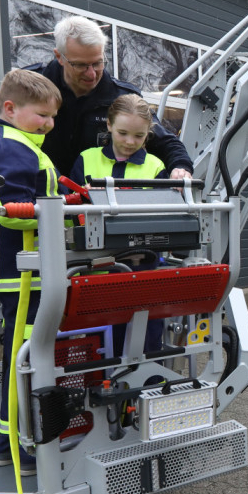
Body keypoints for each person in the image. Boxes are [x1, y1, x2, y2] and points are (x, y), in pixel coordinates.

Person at [0, 68, 64, 476]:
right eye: (41, 115)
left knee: (23, 352)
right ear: (10, 108)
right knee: (24, 356)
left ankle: (12, 440)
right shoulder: (8, 147)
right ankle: (13, 442)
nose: (49, 124)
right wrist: (71, 220)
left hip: (29, 268)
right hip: (22, 272)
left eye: (52, 117)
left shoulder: (13, 140)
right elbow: (15, 212)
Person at [8, 16, 194, 181]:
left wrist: (180, 167)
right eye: (80, 65)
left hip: (89, 209)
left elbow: (164, 141)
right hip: (32, 203)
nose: (91, 74)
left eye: (97, 63)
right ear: (60, 57)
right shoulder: (27, 89)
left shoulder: (122, 97)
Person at [69, 94, 169, 357]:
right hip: (97, 265)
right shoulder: (86, 158)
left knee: (146, 332)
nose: (129, 142)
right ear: (109, 125)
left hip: (144, 263)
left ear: (148, 133)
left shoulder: (156, 165)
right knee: (101, 336)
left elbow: (163, 214)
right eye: (123, 132)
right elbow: (71, 210)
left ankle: (147, 383)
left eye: (138, 136)